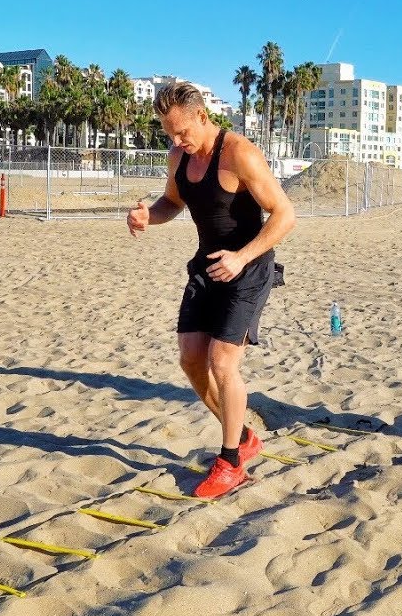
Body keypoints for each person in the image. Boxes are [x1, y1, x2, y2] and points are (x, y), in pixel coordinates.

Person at [127, 82, 297, 499]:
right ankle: (243, 436)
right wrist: (149, 216)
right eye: (169, 134)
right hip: (207, 266)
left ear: (202, 116)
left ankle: (231, 461)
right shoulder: (178, 156)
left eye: (182, 132)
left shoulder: (239, 153)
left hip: (249, 268)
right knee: (190, 359)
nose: (176, 141)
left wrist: (242, 256)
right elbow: (172, 203)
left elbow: (285, 214)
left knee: (222, 361)